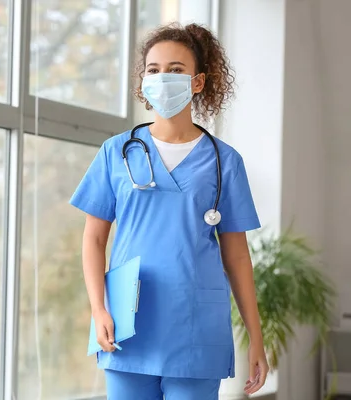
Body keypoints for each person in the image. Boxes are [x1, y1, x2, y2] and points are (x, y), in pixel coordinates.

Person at [69, 23, 269, 399]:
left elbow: (237, 256)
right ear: (143, 80)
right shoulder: (117, 152)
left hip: (195, 323)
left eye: (176, 70)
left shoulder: (224, 162)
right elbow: (94, 239)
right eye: (154, 69)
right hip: (129, 321)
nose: (163, 78)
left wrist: (255, 337)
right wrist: (98, 309)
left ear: (197, 82)